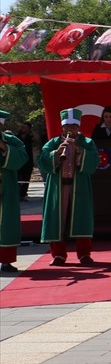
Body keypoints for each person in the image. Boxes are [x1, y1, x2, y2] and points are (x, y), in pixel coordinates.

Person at [39, 108, 100, 266]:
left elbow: (94, 162)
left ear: (78, 127)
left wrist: (80, 151)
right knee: (57, 221)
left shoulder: (87, 142)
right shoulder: (53, 143)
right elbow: (42, 160)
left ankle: (84, 254)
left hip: (79, 187)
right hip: (58, 188)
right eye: (67, 126)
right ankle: (58, 255)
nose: (70, 129)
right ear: (62, 127)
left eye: (73, 126)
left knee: (82, 219)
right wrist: (56, 153)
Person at [1, 109, 30, 273]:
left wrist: (4, 148)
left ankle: (6, 261)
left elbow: (23, 157)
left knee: (7, 224)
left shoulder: (12, 140)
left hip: (7, 188)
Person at [16, 121, 35, 200]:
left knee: (26, 178)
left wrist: (31, 132)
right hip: (18, 161)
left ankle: (23, 195)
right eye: (23, 127)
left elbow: (37, 140)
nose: (23, 129)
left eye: (26, 128)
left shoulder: (30, 138)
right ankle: (17, 194)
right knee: (18, 178)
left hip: (28, 162)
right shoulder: (16, 137)